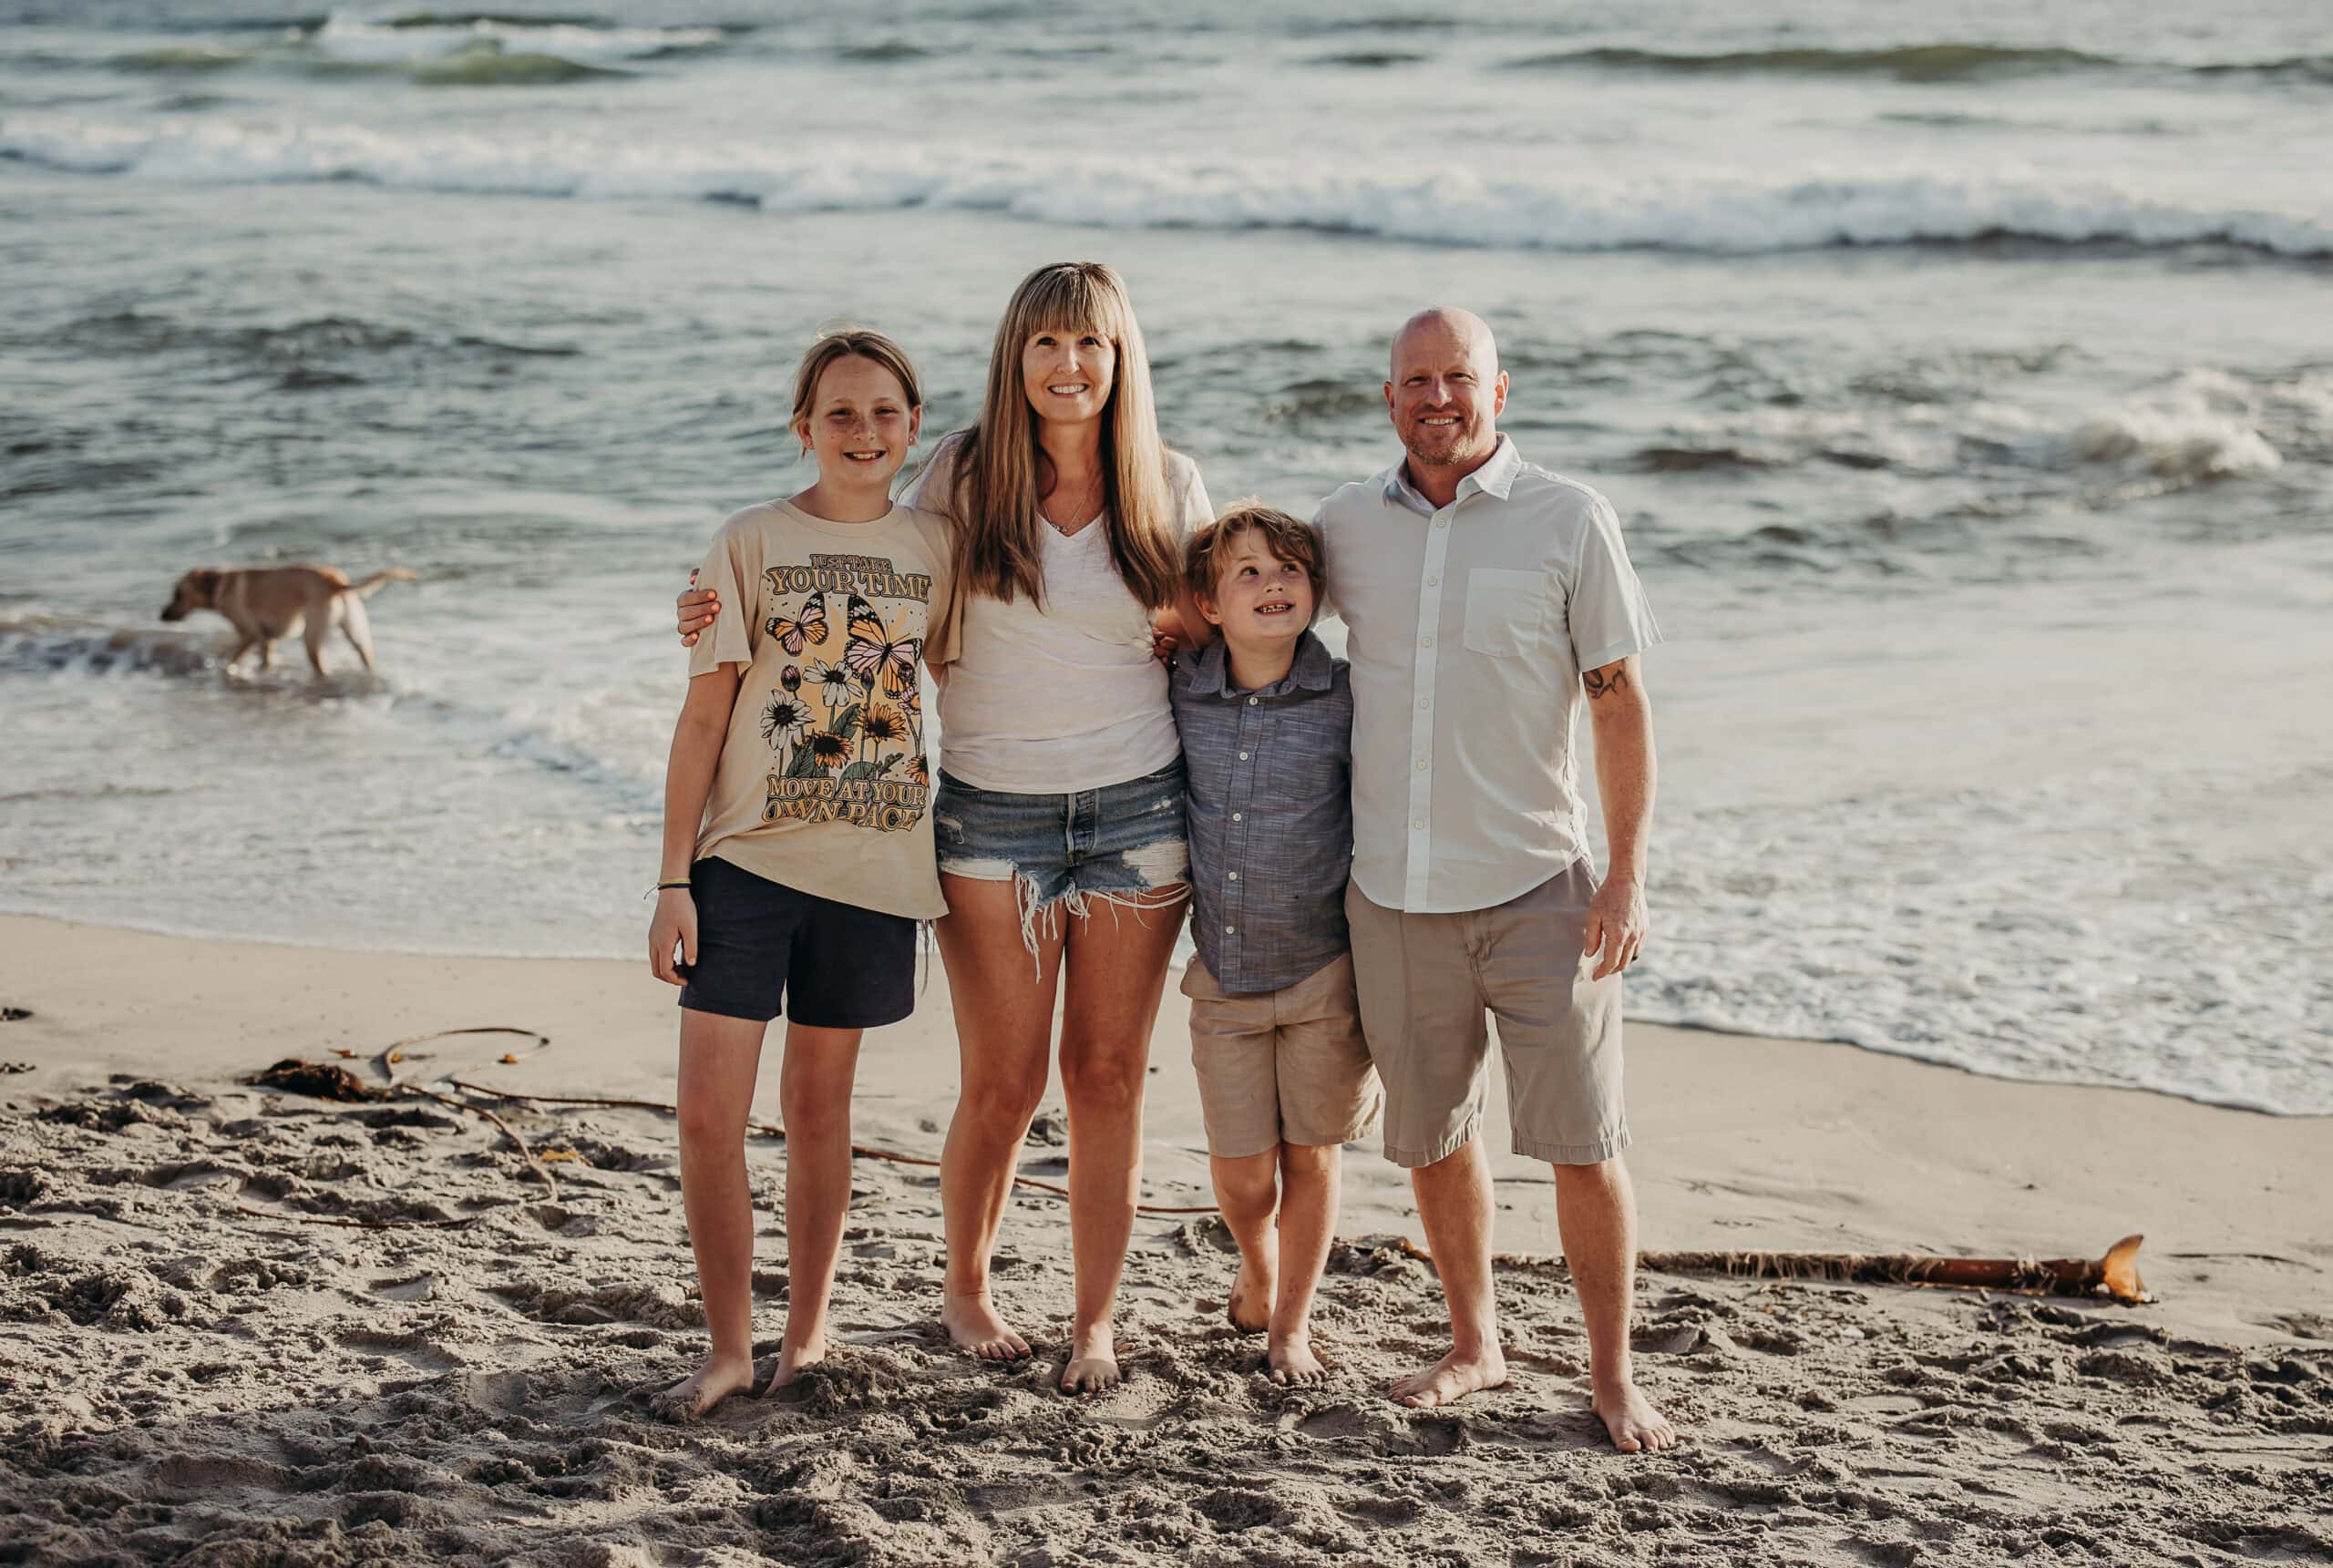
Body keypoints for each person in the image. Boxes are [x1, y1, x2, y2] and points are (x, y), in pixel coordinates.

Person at [677, 263, 1212, 1393]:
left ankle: (1096, 1321)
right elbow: (859, 578)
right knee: (1003, 1082)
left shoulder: (1171, 486)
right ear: (1014, 358)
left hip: (1138, 810)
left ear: (1122, 360)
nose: (1069, 367)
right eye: (1046, 345)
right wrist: (713, 604)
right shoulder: (963, 475)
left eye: (1092, 345)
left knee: (1109, 1073)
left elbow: (1223, 630)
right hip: (987, 816)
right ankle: (965, 1285)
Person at [1316, 306, 1679, 1453]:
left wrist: (1625, 877)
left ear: (1499, 391)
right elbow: (1245, 608)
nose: (1436, 398)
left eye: (1457, 377)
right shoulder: (1342, 527)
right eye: (1415, 380)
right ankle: (1475, 1340)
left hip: (1541, 887)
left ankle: (1612, 1374)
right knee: (1430, 1134)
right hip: (1392, 892)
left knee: (1583, 1138)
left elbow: (1619, 702)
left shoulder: (1571, 519)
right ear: (1388, 400)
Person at [647, 327, 952, 1419]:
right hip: (743, 868)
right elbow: (701, 717)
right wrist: (671, 880)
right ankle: (728, 1344)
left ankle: (807, 1331)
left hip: (875, 874)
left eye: (884, 413)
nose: (863, 431)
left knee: (821, 1113)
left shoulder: (937, 547)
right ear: (803, 428)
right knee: (704, 1117)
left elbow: (995, 674)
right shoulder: (751, 540)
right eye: (840, 413)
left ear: (914, 427)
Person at [1170, 501, 1379, 1387]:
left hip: (1326, 971)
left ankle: (1290, 1324)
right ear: (1210, 603)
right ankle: (1256, 1264)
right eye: (1247, 571)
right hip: (1222, 976)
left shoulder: (1346, 695)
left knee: (1312, 1155)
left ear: (1319, 591)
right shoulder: (1181, 683)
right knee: (1244, 1175)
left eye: (1289, 567)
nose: (1271, 583)